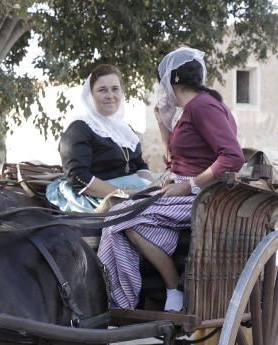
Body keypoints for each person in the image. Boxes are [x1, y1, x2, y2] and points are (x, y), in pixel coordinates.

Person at [97, 47, 245, 312]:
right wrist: (164, 124)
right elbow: (174, 160)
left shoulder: (203, 107)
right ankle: (134, 296)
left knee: (120, 217)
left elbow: (233, 158)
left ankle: (162, 290)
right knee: (121, 217)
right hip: (181, 189)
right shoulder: (190, 109)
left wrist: (188, 185)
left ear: (172, 82)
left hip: (203, 196)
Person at [47, 64, 152, 213]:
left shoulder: (125, 130)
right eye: (102, 90)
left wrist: (148, 188)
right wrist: (123, 194)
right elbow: (78, 177)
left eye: (115, 89)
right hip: (98, 198)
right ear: (90, 95)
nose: (110, 95)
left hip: (133, 194)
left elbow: (140, 164)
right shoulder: (79, 129)